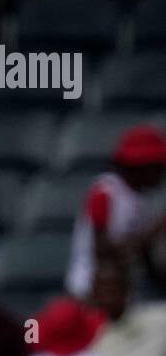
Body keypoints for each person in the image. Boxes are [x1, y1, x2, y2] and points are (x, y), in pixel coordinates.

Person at [66, 123, 166, 300]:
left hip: (125, 295)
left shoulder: (147, 200)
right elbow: (102, 251)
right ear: (140, 165)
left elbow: (145, 259)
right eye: (156, 166)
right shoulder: (106, 192)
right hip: (90, 291)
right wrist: (153, 232)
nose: (161, 172)